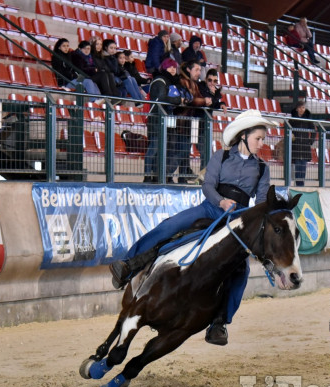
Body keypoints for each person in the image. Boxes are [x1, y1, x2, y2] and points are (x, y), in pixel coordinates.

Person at [110, 109, 276, 345]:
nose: (262, 143)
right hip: (210, 207)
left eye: (262, 139)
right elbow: (208, 186)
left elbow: (260, 204)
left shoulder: (262, 169)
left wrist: (249, 222)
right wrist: (220, 201)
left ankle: (219, 323)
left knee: (241, 271)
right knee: (170, 227)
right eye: (258, 138)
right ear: (243, 135)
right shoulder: (221, 156)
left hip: (235, 219)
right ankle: (129, 264)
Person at [143, 58, 186, 183]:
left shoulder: (169, 82)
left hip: (166, 119)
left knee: (164, 149)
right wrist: (178, 101)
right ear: (164, 67)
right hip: (157, 119)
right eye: (170, 67)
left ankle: (158, 175)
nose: (173, 69)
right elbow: (162, 98)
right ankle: (147, 176)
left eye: (174, 67)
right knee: (154, 148)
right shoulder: (160, 81)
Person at [171, 60, 211, 181]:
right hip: (181, 123)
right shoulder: (183, 82)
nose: (199, 73)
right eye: (197, 70)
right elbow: (191, 99)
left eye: (199, 70)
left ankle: (182, 178)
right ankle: (166, 174)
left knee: (185, 153)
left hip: (188, 124)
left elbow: (196, 98)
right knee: (180, 152)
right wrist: (204, 101)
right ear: (189, 70)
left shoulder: (193, 83)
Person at [51, 38, 102, 103]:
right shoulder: (56, 57)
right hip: (66, 82)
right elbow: (60, 72)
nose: (66, 48)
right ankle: (94, 101)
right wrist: (72, 74)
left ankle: (99, 100)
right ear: (59, 47)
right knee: (88, 81)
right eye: (64, 46)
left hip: (73, 79)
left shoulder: (69, 56)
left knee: (93, 83)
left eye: (67, 46)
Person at [198, 69, 227, 166]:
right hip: (196, 123)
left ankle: (204, 174)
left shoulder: (214, 92)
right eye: (210, 80)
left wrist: (222, 104)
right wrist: (214, 95)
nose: (212, 83)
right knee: (200, 150)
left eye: (215, 81)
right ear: (206, 80)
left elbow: (214, 104)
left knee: (205, 151)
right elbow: (208, 101)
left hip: (205, 124)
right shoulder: (201, 87)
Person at [289, 101, 315, 186]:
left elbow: (314, 131)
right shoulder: (292, 120)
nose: (301, 109)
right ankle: (298, 184)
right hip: (295, 146)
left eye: (303, 108)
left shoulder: (308, 119)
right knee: (297, 168)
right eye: (300, 108)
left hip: (304, 147)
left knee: (303, 168)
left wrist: (310, 141)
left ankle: (301, 185)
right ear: (297, 109)